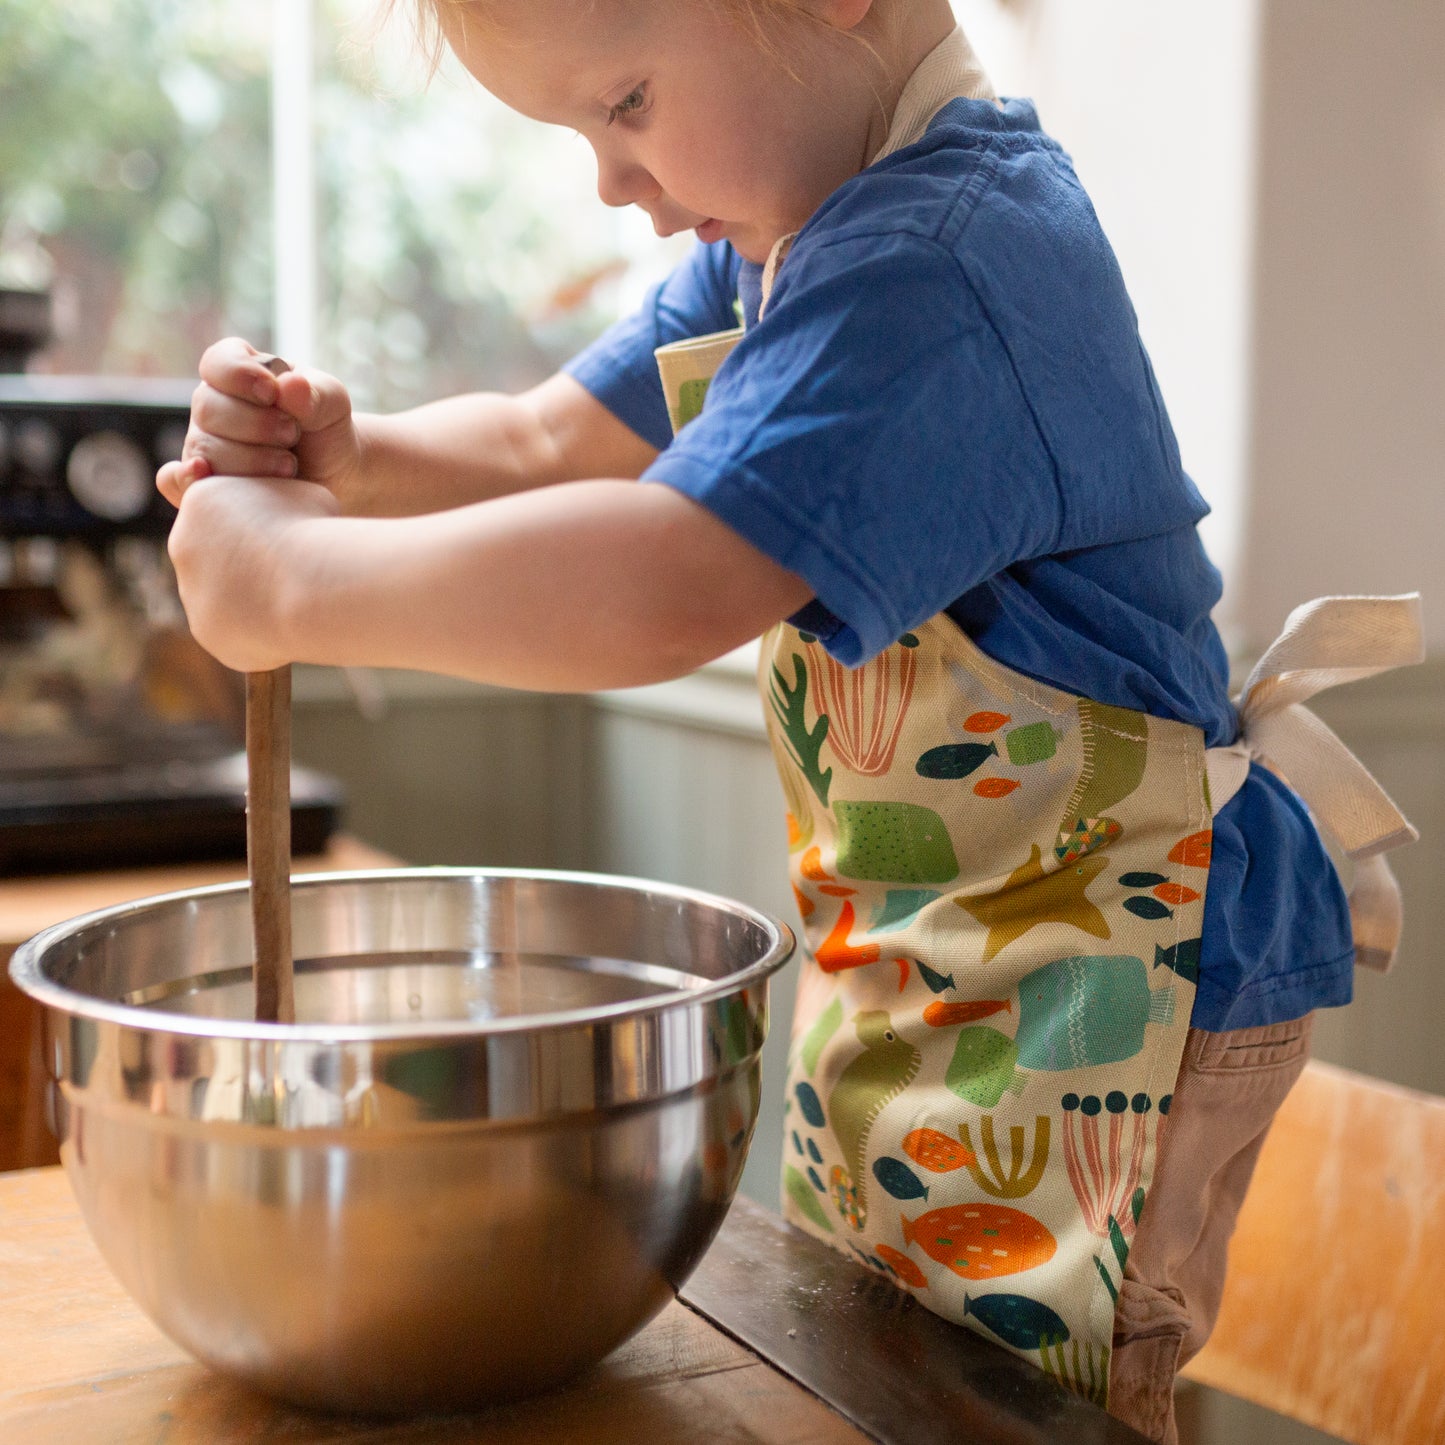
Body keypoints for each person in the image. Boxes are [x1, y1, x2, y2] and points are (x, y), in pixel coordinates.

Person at [156, 2, 1421, 1439]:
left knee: (1031, 1398)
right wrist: (354, 458)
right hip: (951, 949)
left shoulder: (937, 265)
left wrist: (290, 581)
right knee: (896, 1368)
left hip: (1120, 979)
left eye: (624, 103)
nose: (608, 180)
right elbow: (543, 441)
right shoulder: (785, 245)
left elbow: (662, 579)